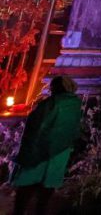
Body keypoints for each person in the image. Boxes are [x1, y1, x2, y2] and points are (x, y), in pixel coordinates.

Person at [12, 75, 82, 215]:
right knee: (46, 192)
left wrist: (28, 150)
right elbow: (75, 129)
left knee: (26, 188)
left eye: (52, 87)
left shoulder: (50, 104)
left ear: (56, 88)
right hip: (60, 152)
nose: (50, 90)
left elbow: (37, 126)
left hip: (39, 151)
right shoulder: (76, 105)